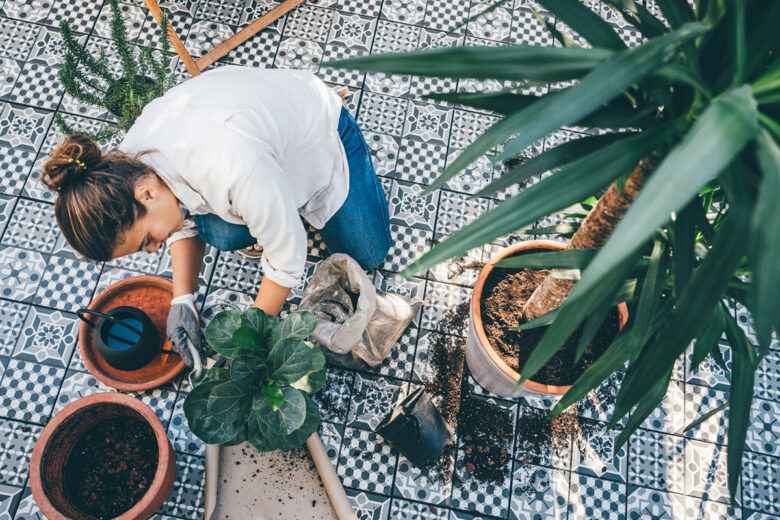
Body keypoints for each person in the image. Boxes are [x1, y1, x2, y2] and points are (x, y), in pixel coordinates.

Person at [42, 66, 391, 366]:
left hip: (320, 131)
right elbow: (175, 218)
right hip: (259, 148)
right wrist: (183, 298)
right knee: (222, 234)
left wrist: (248, 341)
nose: (152, 251)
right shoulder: (130, 164)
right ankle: (269, 205)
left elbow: (287, 261)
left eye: (146, 240)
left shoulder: (232, 167)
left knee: (368, 253)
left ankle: (342, 140)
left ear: (145, 195)